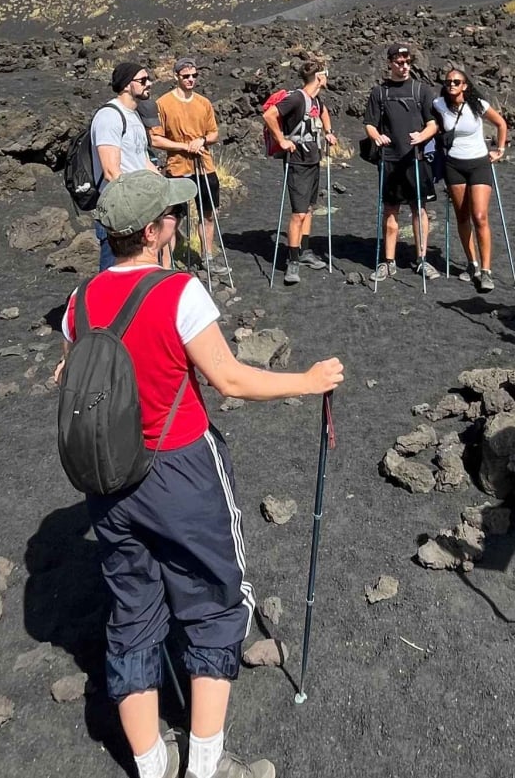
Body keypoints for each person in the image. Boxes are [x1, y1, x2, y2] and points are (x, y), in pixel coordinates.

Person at [56, 170, 344, 778]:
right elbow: (230, 379)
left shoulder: (79, 301)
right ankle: (205, 763)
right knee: (214, 600)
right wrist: (308, 380)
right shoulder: (179, 292)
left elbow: (75, 377)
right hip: (181, 466)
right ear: (152, 232)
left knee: (132, 612)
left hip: (107, 478)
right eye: (172, 216)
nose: (178, 222)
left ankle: (150, 764)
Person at [365, 43, 439, 282]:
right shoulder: (380, 92)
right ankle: (388, 262)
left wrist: (422, 136)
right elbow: (369, 123)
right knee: (390, 210)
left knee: (419, 209)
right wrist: (376, 136)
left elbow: (433, 123)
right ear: (390, 63)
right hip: (389, 159)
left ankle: (422, 259)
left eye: (408, 62)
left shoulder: (421, 90)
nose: (405, 66)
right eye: (399, 62)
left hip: (416, 158)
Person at [433, 66, 508, 293]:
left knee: (480, 216)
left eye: (456, 82)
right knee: (462, 216)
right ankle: (472, 264)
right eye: (448, 82)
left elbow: (501, 123)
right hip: (454, 166)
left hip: (479, 164)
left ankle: (486, 271)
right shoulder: (439, 104)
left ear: (465, 85)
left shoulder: (478, 105)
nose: (452, 85)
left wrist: (500, 149)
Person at [261, 60, 335, 286]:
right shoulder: (296, 98)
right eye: (326, 73)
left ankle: (304, 251)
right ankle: (292, 261)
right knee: (299, 214)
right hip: (297, 162)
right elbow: (269, 115)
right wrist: (282, 140)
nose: (328, 77)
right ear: (319, 77)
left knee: (309, 209)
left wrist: (328, 132)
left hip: (313, 160)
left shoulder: (316, 99)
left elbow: (323, 112)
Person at [153, 57, 229, 277]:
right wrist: (184, 146)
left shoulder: (204, 103)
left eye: (194, 75)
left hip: (204, 166)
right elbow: (156, 139)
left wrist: (202, 140)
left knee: (208, 213)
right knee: (172, 217)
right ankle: (166, 265)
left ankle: (207, 258)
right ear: (176, 76)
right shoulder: (163, 103)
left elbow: (214, 133)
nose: (191, 80)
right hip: (177, 167)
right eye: (186, 76)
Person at [92, 62, 161, 271]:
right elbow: (111, 172)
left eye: (148, 79)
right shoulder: (109, 117)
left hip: (139, 210)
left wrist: (165, 190)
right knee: (113, 273)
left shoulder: (134, 115)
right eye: (143, 80)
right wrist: (133, 207)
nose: (149, 83)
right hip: (118, 213)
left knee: (138, 272)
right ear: (125, 85)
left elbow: (142, 160)